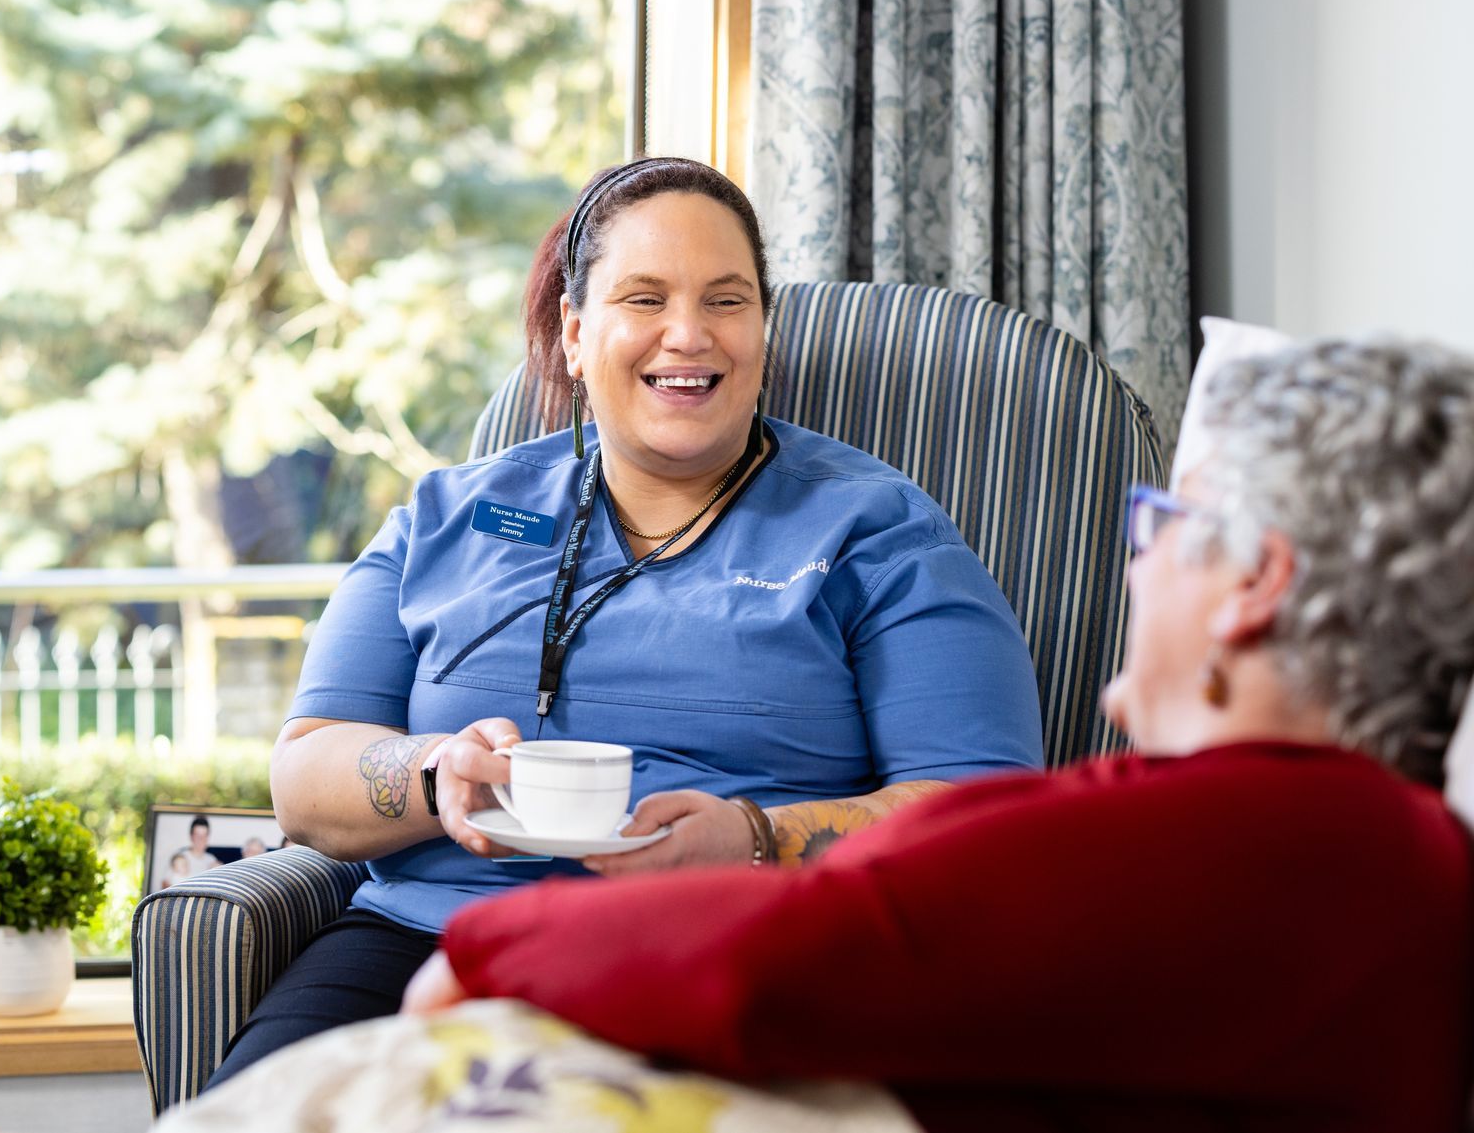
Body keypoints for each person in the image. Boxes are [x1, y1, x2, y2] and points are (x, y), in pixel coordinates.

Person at [396, 339, 1474, 1132]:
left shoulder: (1256, 836)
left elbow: (793, 958)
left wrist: (489, 949)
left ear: (1252, 586)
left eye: (1165, 527)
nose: (1137, 569)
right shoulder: (1387, 846)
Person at [211, 156, 1044, 1085]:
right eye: (644, 299)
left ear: (762, 330)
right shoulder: (447, 516)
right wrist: (432, 768)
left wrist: (755, 840)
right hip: (431, 937)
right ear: (574, 331)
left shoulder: (879, 530)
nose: (687, 335)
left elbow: (982, 822)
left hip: (737, 950)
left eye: (726, 301)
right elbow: (304, 772)